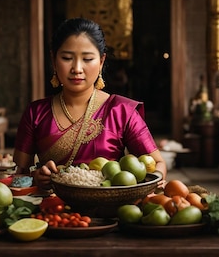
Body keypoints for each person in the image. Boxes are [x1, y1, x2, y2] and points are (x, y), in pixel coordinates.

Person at [13, 17, 167, 189]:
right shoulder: (36, 112)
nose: (77, 68)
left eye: (87, 59)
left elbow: (157, 164)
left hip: (110, 208)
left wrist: (155, 179)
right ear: (53, 59)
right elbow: (19, 175)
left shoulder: (122, 111)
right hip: (52, 211)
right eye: (66, 57)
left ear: (101, 62)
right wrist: (36, 177)